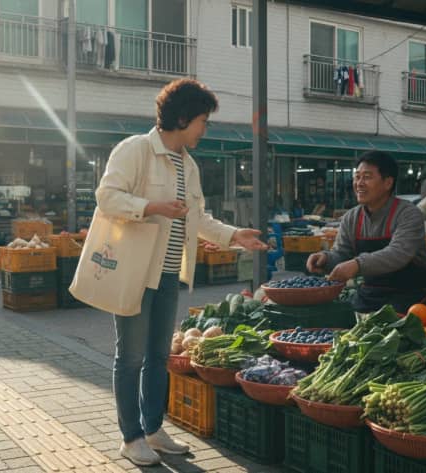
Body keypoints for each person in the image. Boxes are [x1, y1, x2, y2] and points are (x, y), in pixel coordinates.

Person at [95, 78, 269, 467]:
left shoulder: (187, 164)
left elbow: (198, 218)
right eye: (203, 121)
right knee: (132, 357)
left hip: (170, 273)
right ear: (183, 117)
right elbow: (106, 197)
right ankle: (131, 436)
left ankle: (153, 429)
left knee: (159, 356)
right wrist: (152, 206)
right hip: (136, 272)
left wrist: (235, 235)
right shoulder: (136, 149)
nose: (206, 129)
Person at [306, 151, 426, 314]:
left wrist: (357, 264)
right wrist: (326, 259)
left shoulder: (408, 213)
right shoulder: (351, 217)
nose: (359, 183)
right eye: (357, 176)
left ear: (388, 183)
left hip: (411, 295)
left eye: (367, 177)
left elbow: (398, 253)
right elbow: (342, 253)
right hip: (371, 295)